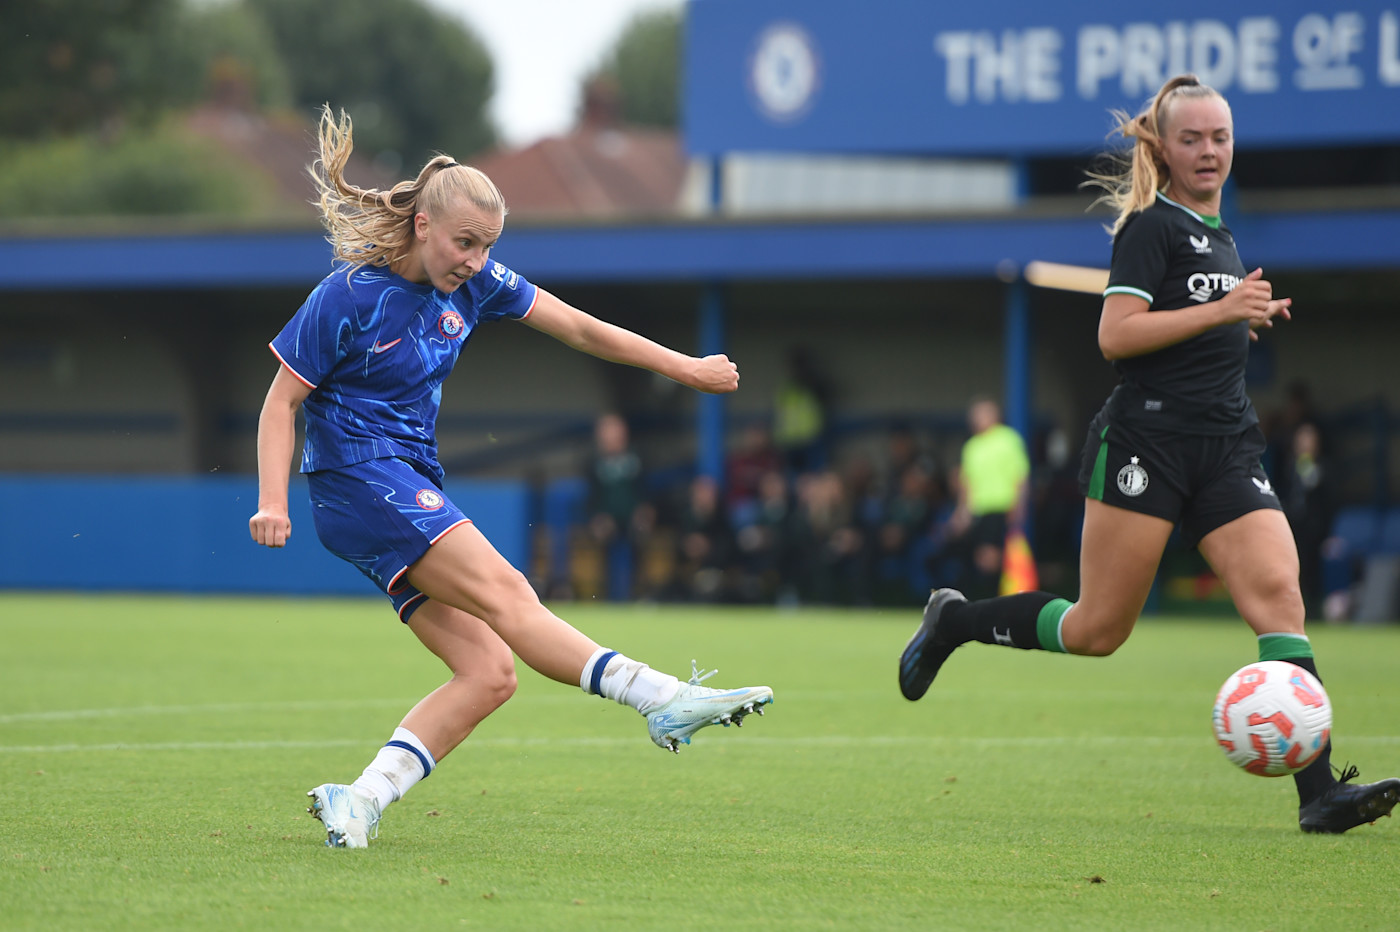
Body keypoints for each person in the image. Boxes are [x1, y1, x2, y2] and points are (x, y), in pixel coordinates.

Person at [249, 106, 772, 849]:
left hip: (395, 485)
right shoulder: (348, 296)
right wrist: (273, 501)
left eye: (486, 246)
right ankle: (664, 697)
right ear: (424, 226)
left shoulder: (477, 283)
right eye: (464, 243)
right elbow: (281, 401)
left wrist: (683, 366)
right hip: (359, 479)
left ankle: (358, 799)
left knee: (491, 671)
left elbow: (582, 328)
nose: (474, 259)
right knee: (512, 595)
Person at [897, 75, 1398, 834]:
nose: (1209, 151)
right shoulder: (1150, 227)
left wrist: (1242, 319)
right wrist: (1224, 309)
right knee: (1099, 630)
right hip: (1148, 444)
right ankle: (956, 623)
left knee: (1279, 596)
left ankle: (1320, 795)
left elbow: (1196, 325)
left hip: (1227, 444)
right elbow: (1117, 335)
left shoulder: (1220, 233)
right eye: (1192, 138)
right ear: (1161, 148)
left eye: (1220, 137)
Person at [947, 398, 1031, 600]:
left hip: (1000, 506)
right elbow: (966, 482)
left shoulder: (1008, 439)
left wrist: (1019, 505)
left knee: (990, 556)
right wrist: (961, 511)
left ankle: (995, 600)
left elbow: (1020, 475)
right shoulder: (972, 446)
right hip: (978, 509)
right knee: (976, 556)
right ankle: (979, 601)